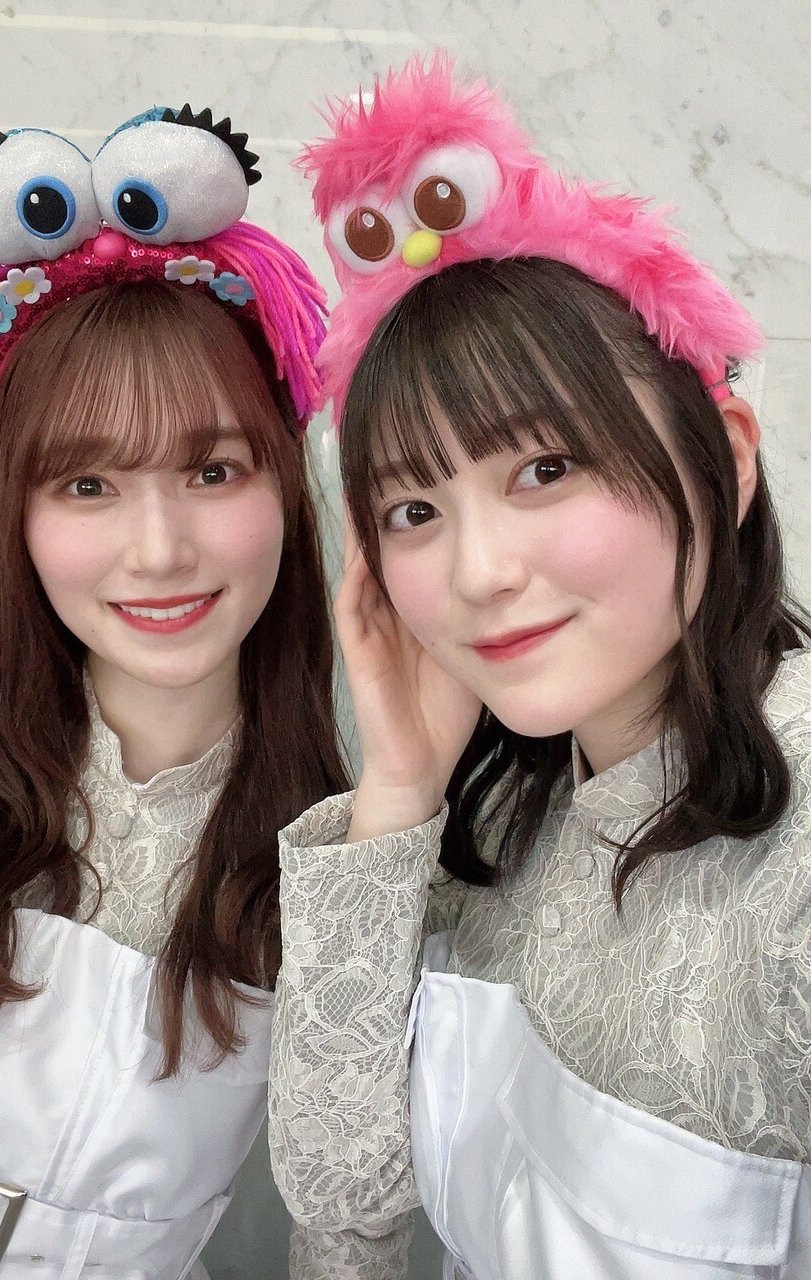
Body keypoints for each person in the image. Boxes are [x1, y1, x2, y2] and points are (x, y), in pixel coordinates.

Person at [269, 55, 811, 1279]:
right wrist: (397, 787)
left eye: (544, 469)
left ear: (726, 460)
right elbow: (340, 1205)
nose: (477, 571)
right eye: (413, 509)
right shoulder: (513, 811)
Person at [0, 80, 348, 1279]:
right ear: (12, 511)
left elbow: (355, 1225)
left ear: (285, 484)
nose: (159, 550)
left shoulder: (347, 845)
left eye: (213, 471)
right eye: (87, 485)